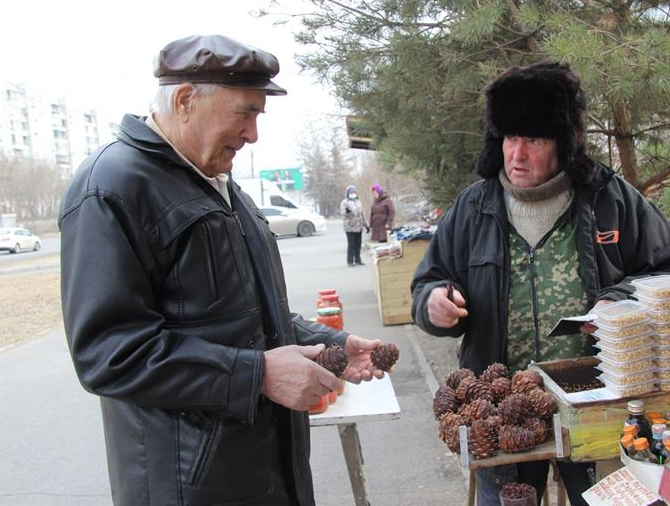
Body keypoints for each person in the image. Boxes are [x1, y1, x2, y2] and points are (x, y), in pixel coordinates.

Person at [59, 34, 386, 506]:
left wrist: (330, 344)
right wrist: (257, 375)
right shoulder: (112, 186)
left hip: (266, 469)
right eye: (245, 112)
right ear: (186, 100)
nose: (253, 134)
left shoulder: (223, 186)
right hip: (190, 486)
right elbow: (110, 352)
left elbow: (247, 318)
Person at [411, 62, 670, 506]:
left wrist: (618, 303)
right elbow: (429, 281)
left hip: (595, 409)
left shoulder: (611, 198)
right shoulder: (473, 209)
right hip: (502, 416)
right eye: (511, 138)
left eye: (533, 139)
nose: (517, 154)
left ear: (563, 142)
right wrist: (433, 302)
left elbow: (662, 270)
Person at [340, 185, 369, 267]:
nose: (353, 194)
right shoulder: (344, 202)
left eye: (354, 192)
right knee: (351, 244)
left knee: (358, 244)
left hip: (359, 226)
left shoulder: (358, 201)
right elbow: (342, 213)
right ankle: (350, 261)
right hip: (349, 227)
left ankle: (358, 260)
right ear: (348, 193)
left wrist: (365, 225)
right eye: (351, 192)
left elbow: (361, 214)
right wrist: (347, 212)